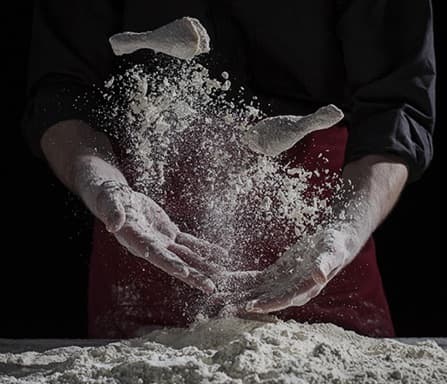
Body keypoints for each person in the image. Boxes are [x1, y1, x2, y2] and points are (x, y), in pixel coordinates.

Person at [23, 1, 435, 338]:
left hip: (320, 212)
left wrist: (344, 230)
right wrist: (105, 185)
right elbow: (61, 91)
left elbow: (397, 106)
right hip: (145, 217)